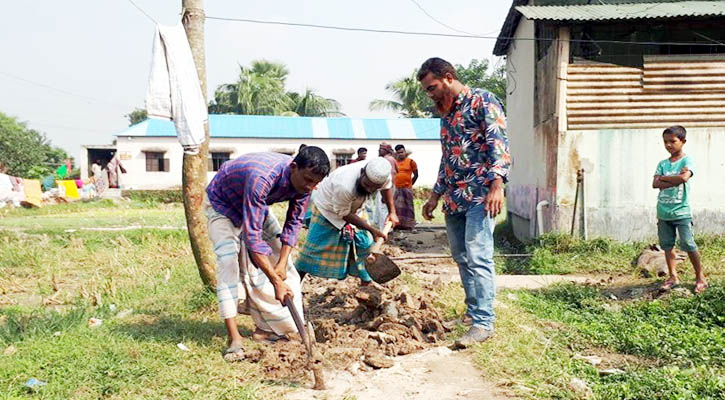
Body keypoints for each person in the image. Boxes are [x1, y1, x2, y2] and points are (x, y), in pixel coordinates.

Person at [205, 146, 330, 361]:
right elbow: (253, 239)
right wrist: (274, 281)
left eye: (315, 183)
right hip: (222, 205)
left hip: (255, 206)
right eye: (308, 180)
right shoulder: (262, 178)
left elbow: (294, 223)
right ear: (293, 167)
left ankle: (268, 330)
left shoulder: (305, 187)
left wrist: (280, 266)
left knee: (285, 265)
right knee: (228, 263)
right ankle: (234, 338)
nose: (311, 187)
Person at [418, 57, 510, 347]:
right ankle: (472, 314)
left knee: (479, 255)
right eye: (426, 90)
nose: (430, 94)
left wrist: (498, 184)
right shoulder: (446, 115)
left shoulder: (483, 101)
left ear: (448, 77)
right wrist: (434, 195)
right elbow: (449, 157)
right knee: (461, 257)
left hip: (481, 194)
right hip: (454, 197)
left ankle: (484, 323)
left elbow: (499, 144)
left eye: (432, 88)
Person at [296, 157, 399, 284]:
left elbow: (386, 188)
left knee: (365, 244)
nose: (369, 190)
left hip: (355, 208)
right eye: (367, 185)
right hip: (328, 209)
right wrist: (371, 229)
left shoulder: (382, 175)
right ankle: (294, 280)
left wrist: (392, 212)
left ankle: (366, 283)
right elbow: (344, 213)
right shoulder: (344, 184)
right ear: (362, 173)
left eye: (374, 188)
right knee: (313, 249)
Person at [652, 125, 707, 294]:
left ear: (683, 142)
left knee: (689, 244)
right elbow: (655, 184)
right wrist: (673, 179)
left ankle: (700, 277)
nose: (668, 145)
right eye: (665, 142)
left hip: (681, 212)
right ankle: (673, 276)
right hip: (663, 212)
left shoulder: (687, 161)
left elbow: (684, 178)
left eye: (673, 141)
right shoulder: (662, 163)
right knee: (667, 246)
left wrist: (665, 178)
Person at [372, 142, 399, 229]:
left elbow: (391, 175)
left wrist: (389, 190)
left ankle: (384, 231)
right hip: (384, 187)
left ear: (386, 150)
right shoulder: (389, 159)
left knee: (383, 209)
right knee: (380, 209)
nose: (379, 151)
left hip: (387, 187)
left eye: (381, 149)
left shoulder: (388, 160)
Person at [393, 144, 419, 230]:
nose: (401, 154)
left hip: (407, 188)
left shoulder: (411, 162)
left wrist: (410, 184)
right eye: (398, 153)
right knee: (397, 207)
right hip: (396, 188)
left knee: (408, 207)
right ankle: (397, 225)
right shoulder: (394, 162)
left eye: (402, 152)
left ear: (405, 152)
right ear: (396, 154)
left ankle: (408, 225)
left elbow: (416, 175)